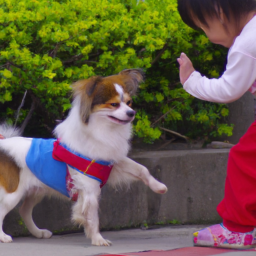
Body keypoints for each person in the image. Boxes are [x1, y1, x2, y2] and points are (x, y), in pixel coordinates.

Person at [177, 0, 256, 249]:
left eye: (204, 26)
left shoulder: (247, 42)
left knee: (243, 160)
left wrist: (191, 81)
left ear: (219, 12)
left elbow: (227, 90)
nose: (208, 37)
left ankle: (237, 229)